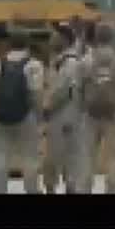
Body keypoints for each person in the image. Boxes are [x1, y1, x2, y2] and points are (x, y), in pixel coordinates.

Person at [0, 27, 45, 193]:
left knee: (0, 157)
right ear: (28, 44)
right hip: (26, 117)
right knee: (30, 158)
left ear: (9, 44)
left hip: (1, 117)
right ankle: (31, 189)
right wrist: (40, 119)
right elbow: (36, 94)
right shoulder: (34, 65)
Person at [76, 21, 115, 194]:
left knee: (86, 158)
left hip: (90, 117)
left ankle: (84, 190)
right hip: (114, 118)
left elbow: (77, 90)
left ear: (96, 37)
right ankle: (112, 189)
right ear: (112, 38)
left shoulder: (85, 62)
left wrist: (82, 110)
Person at [43, 23, 85, 194]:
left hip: (63, 116)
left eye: (54, 35)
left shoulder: (69, 62)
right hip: (66, 116)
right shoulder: (60, 60)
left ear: (64, 39)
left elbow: (62, 90)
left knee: (59, 156)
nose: (51, 38)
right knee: (67, 156)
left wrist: (47, 106)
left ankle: (60, 188)